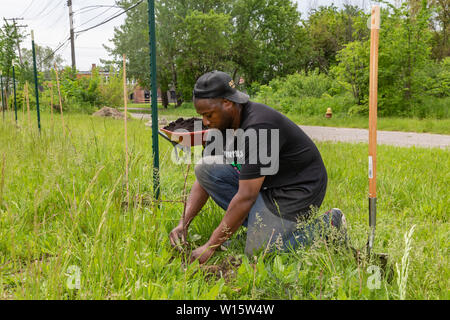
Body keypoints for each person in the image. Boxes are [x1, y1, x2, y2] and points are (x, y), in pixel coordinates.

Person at [169, 70, 346, 264]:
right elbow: (204, 181)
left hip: (297, 191)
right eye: (201, 116)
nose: (205, 121)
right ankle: (260, 229)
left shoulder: (260, 128)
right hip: (268, 187)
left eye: (209, 114)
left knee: (260, 256)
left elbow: (246, 196)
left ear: (227, 103)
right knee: (206, 168)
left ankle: (328, 225)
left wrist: (211, 246)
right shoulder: (220, 127)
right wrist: (183, 223)